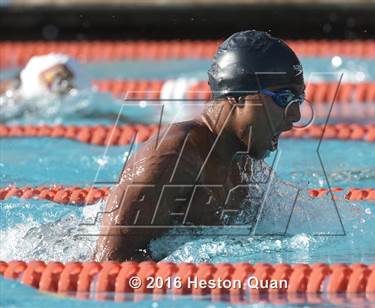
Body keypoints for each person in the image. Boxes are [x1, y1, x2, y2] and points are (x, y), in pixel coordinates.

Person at [94, 30, 305, 261]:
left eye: (299, 100)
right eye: (284, 98)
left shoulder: (244, 161)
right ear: (238, 95)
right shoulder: (173, 157)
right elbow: (109, 265)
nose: (295, 115)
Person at [0, 53, 90, 100]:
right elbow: (59, 69)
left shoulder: (79, 85)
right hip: (29, 78)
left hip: (31, 75)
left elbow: (60, 69)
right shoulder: (32, 83)